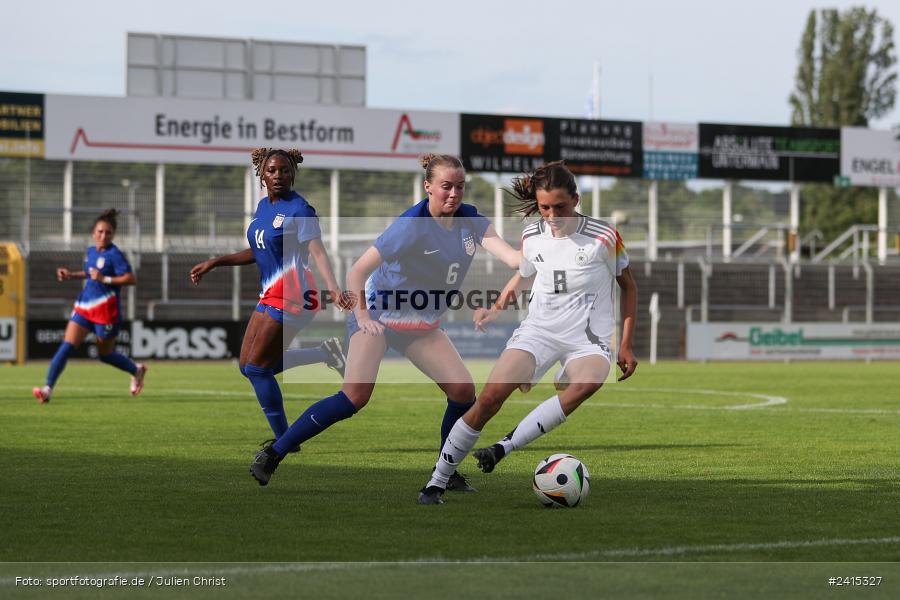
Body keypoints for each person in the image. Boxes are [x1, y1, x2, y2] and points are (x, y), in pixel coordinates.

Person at [248, 153, 521, 487]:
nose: (454, 194)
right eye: (446, 186)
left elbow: (513, 259)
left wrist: (539, 248)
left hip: (419, 321)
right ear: (428, 187)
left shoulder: (472, 220)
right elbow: (357, 271)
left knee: (463, 392)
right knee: (354, 397)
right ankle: (274, 453)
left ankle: (445, 473)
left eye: (460, 186)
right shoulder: (411, 225)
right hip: (378, 313)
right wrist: (362, 315)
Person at [417, 160, 638, 504]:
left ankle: (503, 447)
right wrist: (496, 307)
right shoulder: (533, 236)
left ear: (576, 200)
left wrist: (625, 345)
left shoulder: (604, 236)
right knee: (489, 399)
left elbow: (629, 287)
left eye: (560, 207)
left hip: (587, 339)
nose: (551, 215)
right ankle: (436, 483)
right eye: (544, 207)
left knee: (590, 381)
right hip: (539, 331)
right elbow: (524, 274)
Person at [190, 147, 349, 439]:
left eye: (285, 170)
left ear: (293, 174)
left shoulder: (301, 210)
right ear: (262, 174)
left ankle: (284, 441)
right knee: (247, 366)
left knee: (258, 369)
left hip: (295, 296)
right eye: (272, 170)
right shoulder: (263, 207)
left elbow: (318, 252)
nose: (278, 175)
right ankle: (324, 353)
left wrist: (334, 289)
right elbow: (258, 249)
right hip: (271, 294)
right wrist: (215, 262)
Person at [33, 209, 147, 403]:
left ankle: (136, 370)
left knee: (105, 355)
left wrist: (105, 278)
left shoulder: (115, 255)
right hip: (85, 307)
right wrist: (71, 275)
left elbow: (131, 279)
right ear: (93, 233)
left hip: (107, 313)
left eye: (108, 233)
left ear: (113, 235)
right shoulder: (91, 251)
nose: (104, 236)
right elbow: (90, 273)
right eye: (100, 232)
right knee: (67, 346)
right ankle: (47, 389)